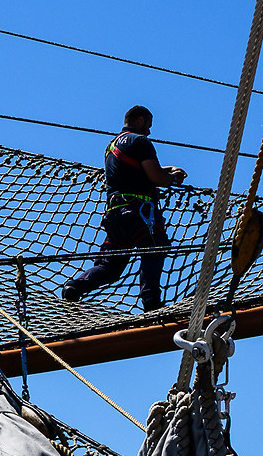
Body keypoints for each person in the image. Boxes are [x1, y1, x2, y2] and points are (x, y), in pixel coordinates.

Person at [61, 106, 186, 311]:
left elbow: (135, 171)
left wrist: (166, 169)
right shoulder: (140, 141)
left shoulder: (112, 146)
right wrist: (172, 178)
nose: (149, 131)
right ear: (139, 120)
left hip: (116, 215)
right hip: (140, 213)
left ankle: (75, 286)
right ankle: (151, 302)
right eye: (148, 125)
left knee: (110, 266)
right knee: (155, 248)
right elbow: (154, 177)